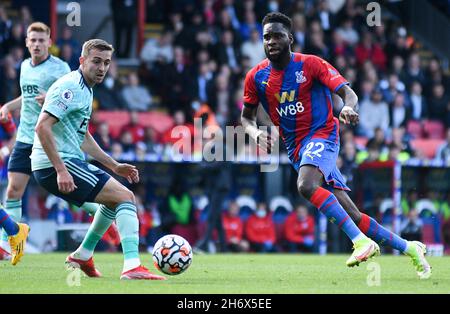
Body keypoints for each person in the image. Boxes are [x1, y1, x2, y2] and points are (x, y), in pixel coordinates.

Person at [241, 12, 431, 279]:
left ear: (290, 39)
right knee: (352, 213)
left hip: (322, 135)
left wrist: (349, 108)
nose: (270, 41)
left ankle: (361, 242)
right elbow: (246, 117)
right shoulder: (256, 77)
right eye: (266, 37)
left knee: (306, 185)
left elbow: (347, 93)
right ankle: (410, 247)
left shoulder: (312, 65)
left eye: (277, 36)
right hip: (295, 148)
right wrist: (255, 133)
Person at [30, 39, 165, 280]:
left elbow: (81, 137)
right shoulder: (70, 86)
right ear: (82, 61)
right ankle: (132, 265)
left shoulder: (86, 89)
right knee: (125, 197)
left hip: (63, 162)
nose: (102, 68)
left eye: (106, 63)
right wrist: (61, 170)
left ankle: (82, 255)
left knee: (112, 202)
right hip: (57, 163)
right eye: (96, 61)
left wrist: (114, 165)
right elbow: (42, 127)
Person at [0, 22, 71, 260]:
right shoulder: (24, 66)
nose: (37, 44)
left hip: (48, 138)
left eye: (42, 40)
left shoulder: (60, 68)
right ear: (27, 42)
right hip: (24, 136)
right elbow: (27, 96)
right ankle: (8, 244)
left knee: (69, 191)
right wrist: (10, 105)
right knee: (13, 190)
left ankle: (104, 215)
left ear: (50, 42)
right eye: (33, 40)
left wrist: (51, 99)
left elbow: (72, 99)